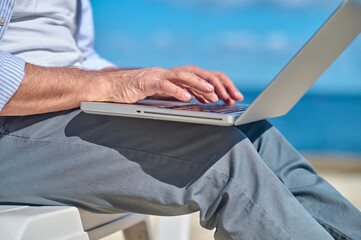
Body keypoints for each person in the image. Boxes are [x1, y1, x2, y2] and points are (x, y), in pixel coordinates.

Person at [0, 0, 360, 239]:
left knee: (253, 134)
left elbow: (78, 59)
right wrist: (108, 84)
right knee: (220, 162)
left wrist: (150, 81)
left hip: (53, 109)